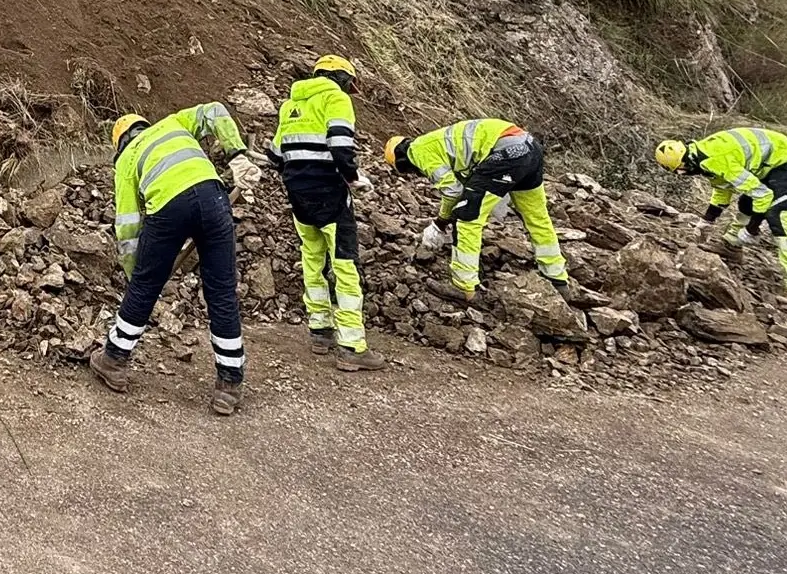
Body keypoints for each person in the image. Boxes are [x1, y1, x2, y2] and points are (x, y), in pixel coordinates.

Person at [90, 102, 249, 414]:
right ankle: (229, 385)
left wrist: (135, 272)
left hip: (169, 208)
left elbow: (128, 225)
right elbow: (215, 110)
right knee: (221, 293)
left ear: (120, 143)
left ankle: (113, 360)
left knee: (144, 287)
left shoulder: (127, 161)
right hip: (215, 200)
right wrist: (237, 155)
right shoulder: (174, 122)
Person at [271, 55, 382, 372]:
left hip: (298, 193)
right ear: (343, 78)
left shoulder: (290, 105)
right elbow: (340, 143)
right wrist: (353, 177)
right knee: (345, 264)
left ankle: (320, 331)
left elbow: (275, 154)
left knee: (312, 257)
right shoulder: (337, 98)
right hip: (330, 193)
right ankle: (351, 346)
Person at [384, 119, 570, 301]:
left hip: (506, 153)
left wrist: (440, 223)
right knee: (537, 217)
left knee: (467, 217)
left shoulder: (417, 151)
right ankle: (557, 278)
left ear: (400, 160)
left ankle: (463, 286)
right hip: (529, 147)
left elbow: (453, 191)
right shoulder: (438, 142)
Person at [654, 128, 787, 305]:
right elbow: (723, 189)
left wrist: (752, 229)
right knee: (746, 203)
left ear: (684, 163)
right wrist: (707, 221)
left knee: (779, 218)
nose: (682, 174)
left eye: (680, 171)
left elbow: (763, 196)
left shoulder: (714, 159)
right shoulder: (701, 154)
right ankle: (732, 246)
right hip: (769, 164)